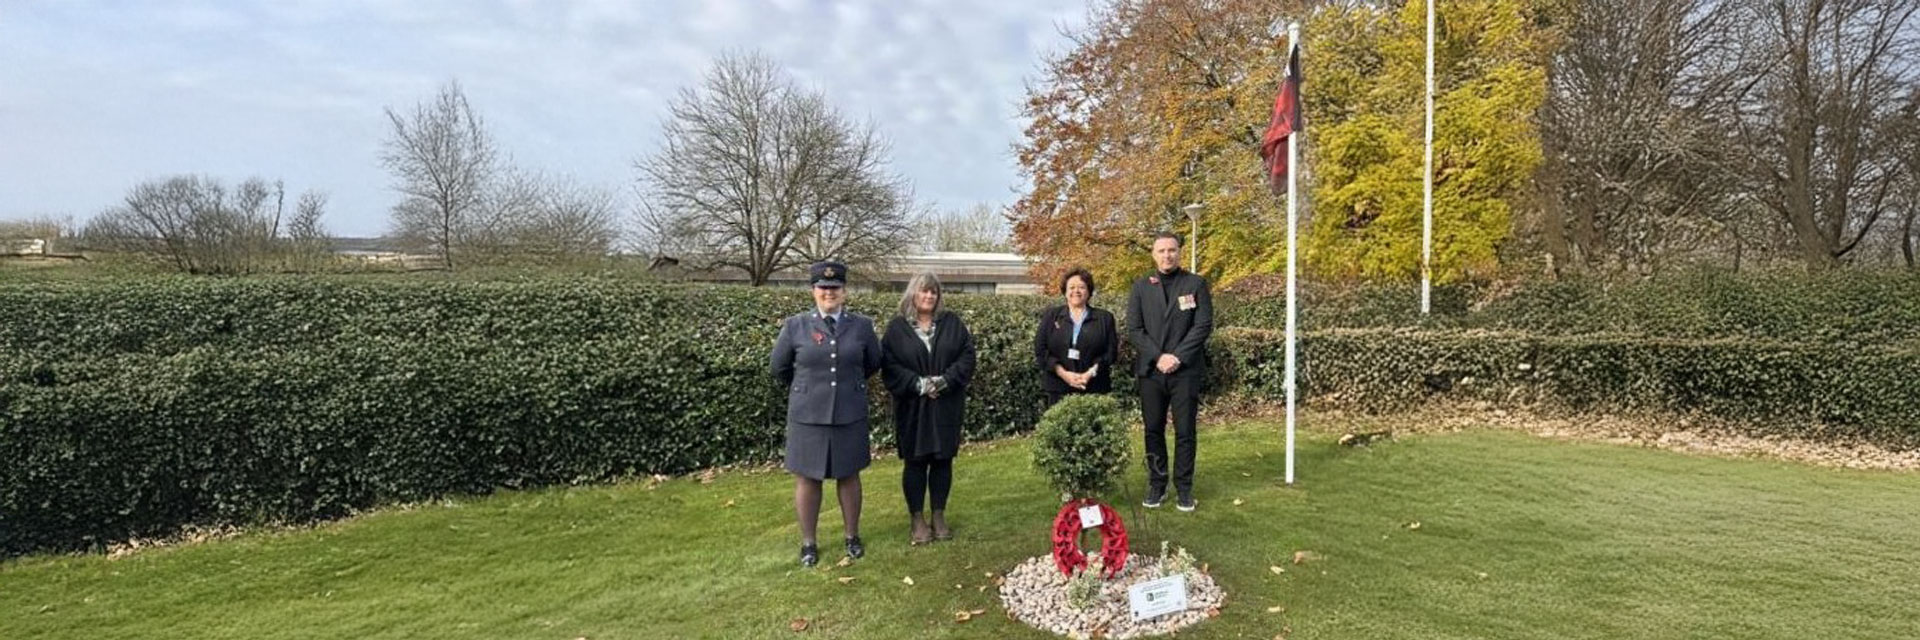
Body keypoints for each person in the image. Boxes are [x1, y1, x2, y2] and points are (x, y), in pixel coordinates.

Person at [771, 261, 882, 567]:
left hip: (849, 412)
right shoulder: (795, 326)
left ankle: (852, 536)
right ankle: (809, 543)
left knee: (849, 476)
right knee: (808, 479)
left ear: (844, 291)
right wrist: (807, 391)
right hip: (807, 416)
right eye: (823, 287)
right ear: (813, 291)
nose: (828, 293)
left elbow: (873, 362)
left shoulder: (861, 326)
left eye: (834, 288)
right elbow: (779, 367)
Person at [880, 273, 977, 545]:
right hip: (912, 407)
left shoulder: (953, 324)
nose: (929, 297)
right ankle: (916, 519)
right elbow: (889, 365)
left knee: (942, 460)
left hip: (946, 405)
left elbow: (967, 356)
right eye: (924, 291)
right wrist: (919, 384)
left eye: (933, 292)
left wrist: (945, 381)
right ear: (913, 293)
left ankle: (938, 515)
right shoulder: (897, 328)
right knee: (915, 462)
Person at [1124, 231, 1214, 512]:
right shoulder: (1140, 287)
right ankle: (1157, 484)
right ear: (1153, 254)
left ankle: (1184, 489)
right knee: (1153, 430)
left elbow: (1202, 325)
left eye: (1172, 250)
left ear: (1179, 252)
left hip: (1184, 370)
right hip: (1152, 371)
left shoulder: (1195, 284)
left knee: (1185, 431)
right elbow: (1135, 330)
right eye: (1161, 251)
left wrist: (1177, 356)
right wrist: (1159, 356)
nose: (1167, 255)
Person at [1034, 267, 1118, 408]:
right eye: (1071, 287)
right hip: (1058, 387)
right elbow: (1041, 349)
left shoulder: (1104, 318)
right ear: (1065, 291)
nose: (1076, 291)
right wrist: (1063, 374)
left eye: (1081, 287)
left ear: (1089, 291)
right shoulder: (1051, 316)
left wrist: (1089, 374)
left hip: (1094, 387)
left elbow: (1111, 353)